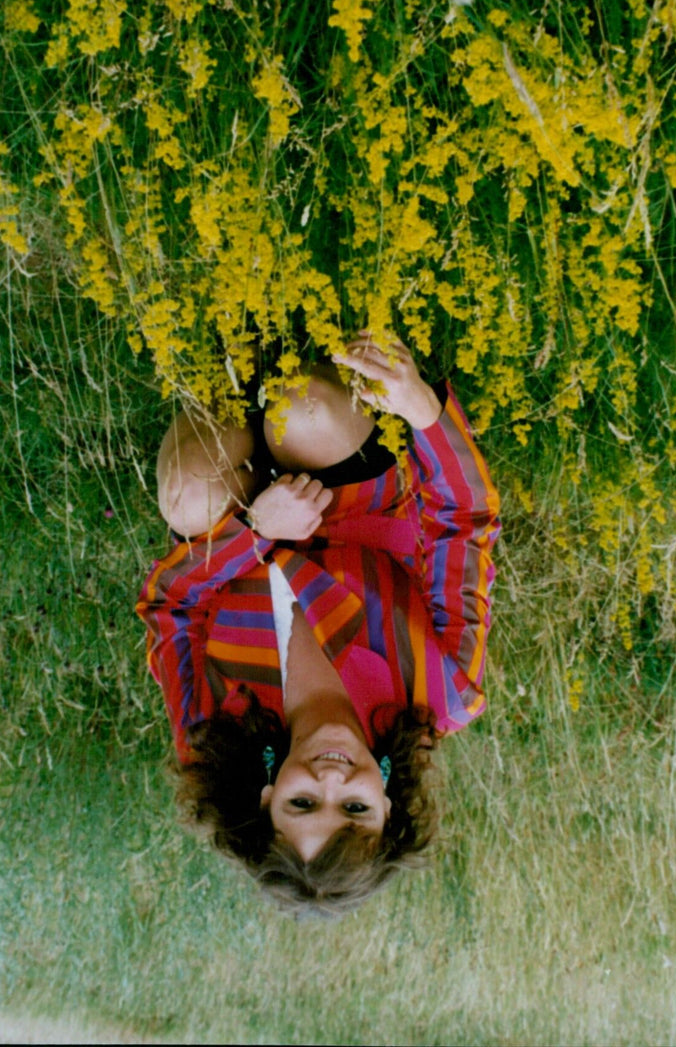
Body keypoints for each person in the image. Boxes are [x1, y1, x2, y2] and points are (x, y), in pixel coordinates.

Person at [136, 332, 500, 917]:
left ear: (267, 797)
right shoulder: (445, 691)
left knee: (186, 494)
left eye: (302, 804)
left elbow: (171, 610)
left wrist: (255, 529)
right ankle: (295, 353)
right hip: (360, 500)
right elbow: (466, 523)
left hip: (242, 521)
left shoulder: (211, 738)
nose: (332, 780)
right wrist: (423, 411)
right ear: (386, 802)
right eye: (355, 808)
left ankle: (228, 336)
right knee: (303, 411)